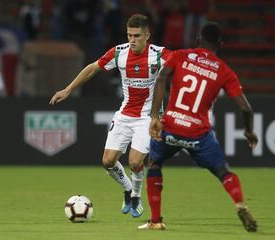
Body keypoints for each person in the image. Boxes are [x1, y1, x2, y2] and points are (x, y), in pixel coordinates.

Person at [138, 22, 258, 231]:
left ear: (198, 40)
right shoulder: (225, 71)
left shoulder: (180, 55)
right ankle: (240, 204)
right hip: (198, 134)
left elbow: (162, 77)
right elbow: (246, 108)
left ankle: (156, 221)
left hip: (171, 127)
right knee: (223, 171)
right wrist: (248, 132)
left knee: (154, 164)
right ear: (220, 44)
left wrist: (155, 116)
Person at [50, 14, 170, 218]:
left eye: (137, 35)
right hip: (125, 114)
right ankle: (127, 188)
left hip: (146, 118)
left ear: (147, 35)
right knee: (108, 161)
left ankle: (136, 196)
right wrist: (68, 89)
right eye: (129, 35)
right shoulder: (119, 53)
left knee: (134, 162)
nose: (132, 40)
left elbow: (184, 65)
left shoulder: (160, 55)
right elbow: (92, 68)